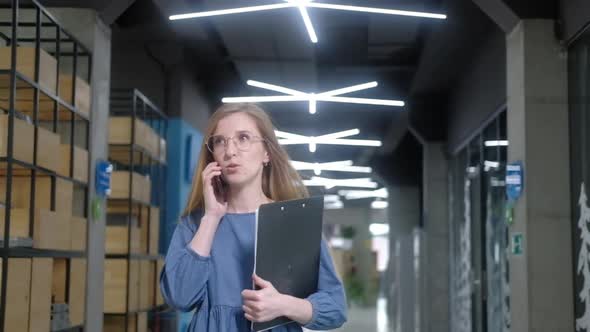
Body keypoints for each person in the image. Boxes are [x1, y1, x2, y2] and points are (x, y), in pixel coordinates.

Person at [159, 103, 348, 331]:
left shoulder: (294, 222)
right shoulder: (195, 224)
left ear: (266, 153)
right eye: (220, 141)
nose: (230, 151)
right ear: (212, 156)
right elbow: (179, 297)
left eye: (244, 138)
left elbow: (335, 308)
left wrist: (283, 305)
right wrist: (211, 218)